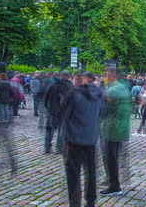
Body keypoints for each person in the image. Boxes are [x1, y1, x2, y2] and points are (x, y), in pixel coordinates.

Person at [62, 72, 103, 207]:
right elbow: (102, 113)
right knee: (90, 171)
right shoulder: (98, 93)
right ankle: (90, 201)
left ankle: (75, 203)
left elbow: (65, 116)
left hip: (75, 140)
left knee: (73, 174)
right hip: (91, 138)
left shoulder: (73, 94)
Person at [100, 69, 132, 197]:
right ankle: (112, 182)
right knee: (115, 157)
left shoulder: (112, 90)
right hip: (122, 128)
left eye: (106, 75)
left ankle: (114, 185)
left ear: (111, 76)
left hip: (112, 129)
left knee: (110, 158)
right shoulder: (124, 88)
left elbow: (103, 109)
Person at [44, 70, 73, 153]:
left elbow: (46, 97)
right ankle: (58, 148)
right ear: (68, 76)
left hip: (52, 111)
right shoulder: (69, 86)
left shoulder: (53, 84)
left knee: (49, 130)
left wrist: (47, 108)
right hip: (64, 112)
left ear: (61, 75)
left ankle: (47, 147)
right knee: (62, 131)